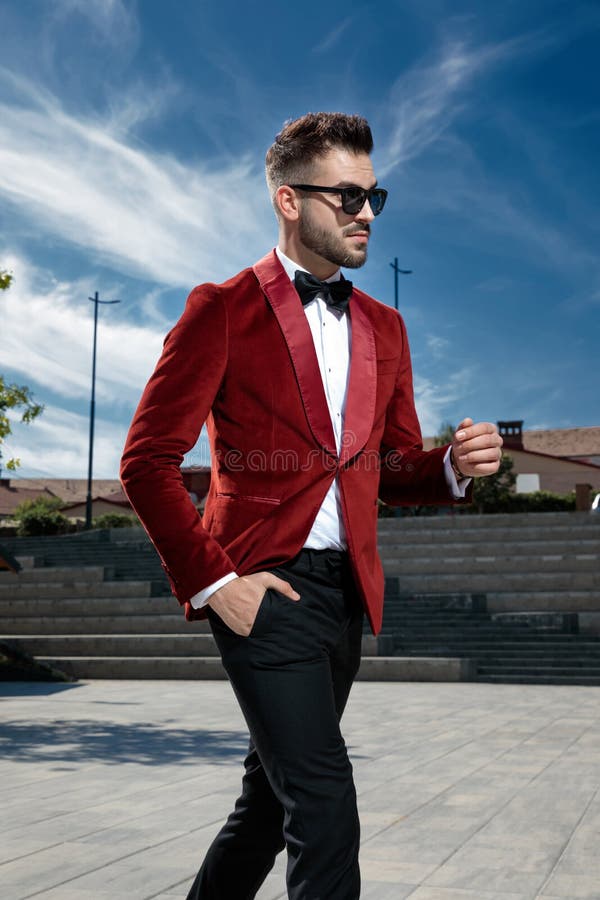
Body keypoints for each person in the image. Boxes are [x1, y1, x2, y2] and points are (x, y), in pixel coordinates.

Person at [120, 112, 502, 900]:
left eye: (375, 196)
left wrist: (454, 469)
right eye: (348, 195)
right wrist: (218, 584)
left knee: (268, 804)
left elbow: (392, 468)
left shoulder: (385, 327)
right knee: (325, 804)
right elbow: (148, 462)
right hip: (263, 591)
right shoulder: (219, 308)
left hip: (345, 599)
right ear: (290, 201)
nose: (367, 212)